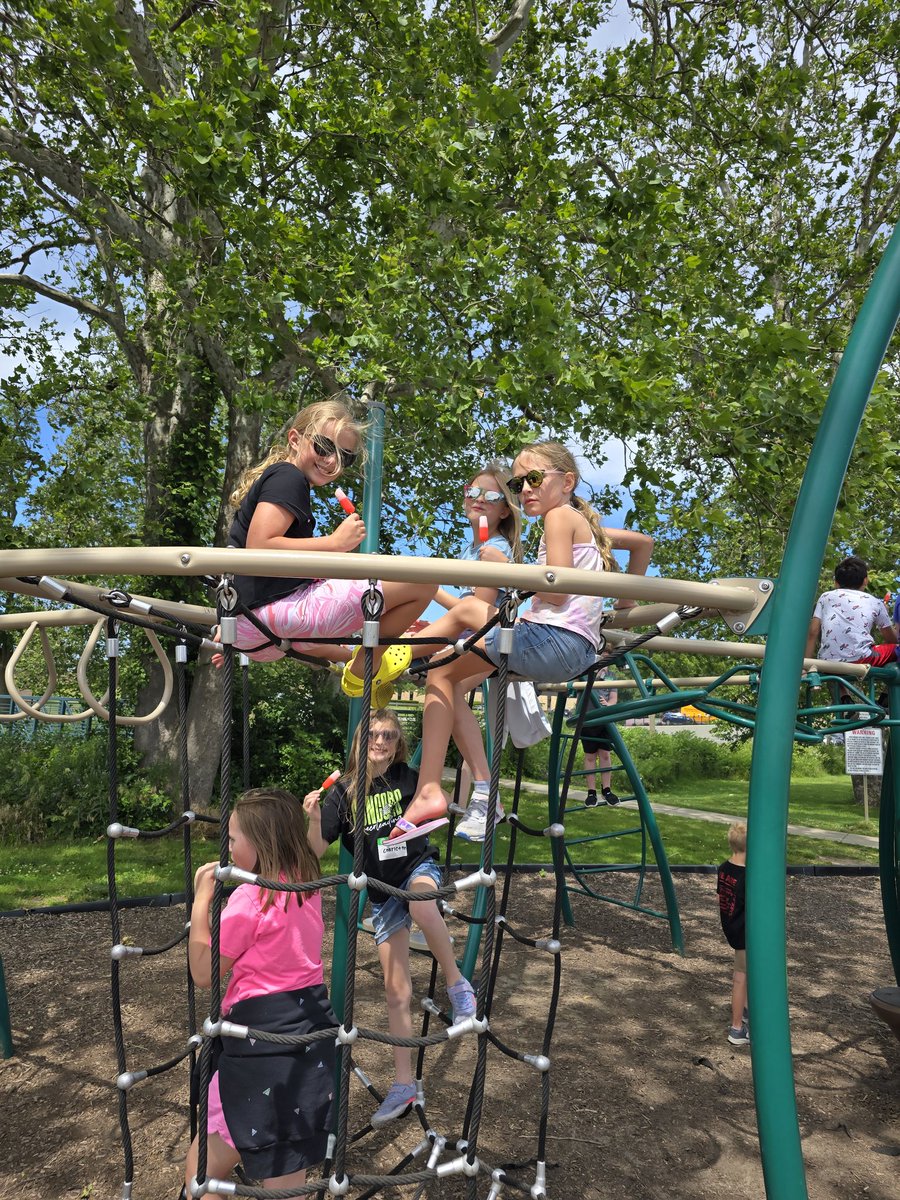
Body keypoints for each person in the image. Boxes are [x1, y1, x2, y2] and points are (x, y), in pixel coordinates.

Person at [399, 440, 654, 831]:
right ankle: (477, 792)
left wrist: (507, 570)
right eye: (518, 484)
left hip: (552, 639)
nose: (526, 489)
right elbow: (643, 543)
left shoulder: (558, 517)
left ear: (567, 481)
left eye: (533, 478)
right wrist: (623, 604)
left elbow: (554, 591)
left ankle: (392, 655)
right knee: (442, 676)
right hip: (571, 647)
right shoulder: (579, 523)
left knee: (467, 612)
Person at [303, 708, 476, 1129]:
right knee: (396, 991)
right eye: (373, 735)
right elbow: (315, 852)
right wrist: (310, 816)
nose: (380, 742)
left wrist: (472, 768)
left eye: (389, 736)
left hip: (418, 871)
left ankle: (457, 985)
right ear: (360, 743)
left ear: (398, 744)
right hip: (381, 895)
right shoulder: (342, 794)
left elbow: (446, 802)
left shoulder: (409, 780)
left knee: (421, 903)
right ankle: (403, 1084)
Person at [225, 399, 436, 705]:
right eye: (324, 446)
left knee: (379, 601)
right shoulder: (288, 476)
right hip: (266, 616)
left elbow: (281, 565)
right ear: (295, 439)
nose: (332, 461)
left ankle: (371, 655)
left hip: (251, 625)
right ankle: (369, 665)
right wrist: (335, 543)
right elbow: (259, 547)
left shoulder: (283, 479)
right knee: (423, 582)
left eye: (345, 457)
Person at [185, 788, 336, 1196]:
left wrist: (203, 897)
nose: (227, 847)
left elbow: (203, 971)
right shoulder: (308, 882)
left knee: (201, 1174)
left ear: (259, 844)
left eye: (232, 839)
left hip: (259, 1051)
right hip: (310, 1042)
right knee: (287, 1170)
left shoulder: (250, 899)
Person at [433, 462, 526, 841]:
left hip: (497, 637)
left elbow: (480, 609)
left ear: (504, 509)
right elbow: (465, 608)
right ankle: (481, 791)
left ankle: (486, 791)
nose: (476, 499)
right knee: (440, 682)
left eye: (488, 496)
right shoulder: (474, 547)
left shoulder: (495, 547)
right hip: (480, 633)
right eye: (471, 491)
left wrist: (426, 590)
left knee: (443, 681)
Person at [805, 555, 898, 666]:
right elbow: (892, 639)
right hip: (862, 659)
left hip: (826, 661)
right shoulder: (875, 602)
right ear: (865, 581)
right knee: (897, 649)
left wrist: (806, 664)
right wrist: (884, 614)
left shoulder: (825, 597)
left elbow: (813, 631)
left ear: (836, 582)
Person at [717, 821, 749, 1047]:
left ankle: (746, 1011)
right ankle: (737, 1029)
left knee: (746, 976)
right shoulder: (748, 877)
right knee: (740, 978)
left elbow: (723, 897)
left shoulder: (724, 868)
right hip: (744, 934)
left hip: (731, 927)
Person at [580, 671, 620, 807]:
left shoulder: (611, 676)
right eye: (602, 657)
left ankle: (607, 790)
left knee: (605, 754)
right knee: (590, 756)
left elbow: (614, 699)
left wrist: (608, 704)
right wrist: (596, 673)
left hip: (604, 719)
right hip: (588, 720)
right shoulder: (585, 673)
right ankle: (591, 792)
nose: (604, 664)